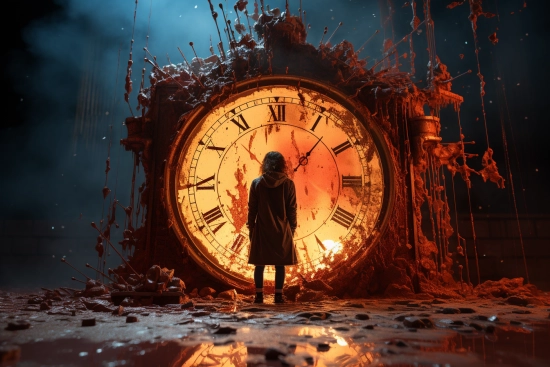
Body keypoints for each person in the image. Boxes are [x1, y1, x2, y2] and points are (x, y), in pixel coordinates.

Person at [247, 151, 297, 304]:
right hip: (282, 230)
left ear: (265, 164)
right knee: (280, 265)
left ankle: (259, 296)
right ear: (283, 165)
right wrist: (292, 229)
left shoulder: (257, 183)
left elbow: (252, 209)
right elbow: (292, 209)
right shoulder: (288, 184)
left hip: (262, 229)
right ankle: (278, 296)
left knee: (259, 264)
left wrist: (251, 228)